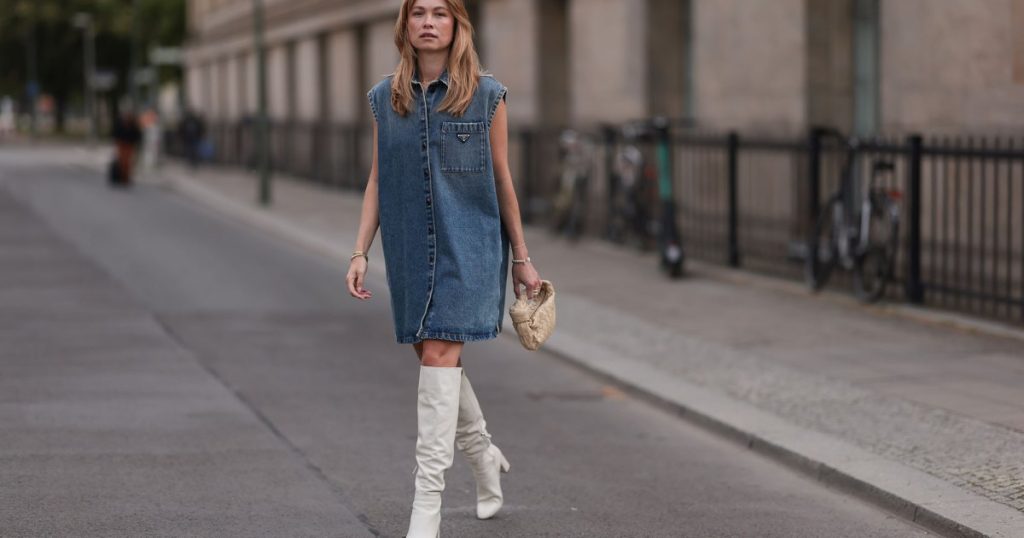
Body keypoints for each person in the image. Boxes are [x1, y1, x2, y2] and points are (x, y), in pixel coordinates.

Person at [345, 1, 542, 536]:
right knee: (436, 362)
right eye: (418, 13)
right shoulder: (385, 99)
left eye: (440, 13)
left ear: (457, 25)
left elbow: (501, 178)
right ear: (405, 24)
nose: (428, 22)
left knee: (437, 355)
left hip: (469, 249)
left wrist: (522, 258)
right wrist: (360, 250)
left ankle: (426, 505)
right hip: (409, 248)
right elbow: (377, 180)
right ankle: (483, 454)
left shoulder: (487, 94)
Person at [111, 110, 143, 186]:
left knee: (128, 162)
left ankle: (126, 177)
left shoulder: (133, 125)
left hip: (130, 145)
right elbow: (116, 133)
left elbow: (137, 134)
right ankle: (122, 177)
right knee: (122, 161)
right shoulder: (120, 124)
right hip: (122, 144)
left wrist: (135, 143)